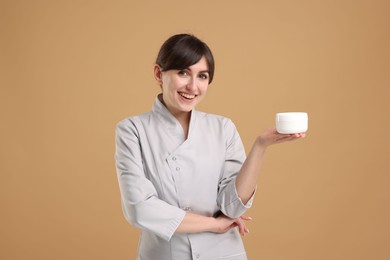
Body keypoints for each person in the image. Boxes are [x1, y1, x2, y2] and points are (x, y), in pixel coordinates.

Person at [115, 33, 305, 260]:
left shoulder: (222, 127)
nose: (193, 86)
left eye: (202, 76)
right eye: (183, 72)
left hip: (224, 253)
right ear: (159, 73)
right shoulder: (132, 130)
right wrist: (214, 224)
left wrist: (260, 146)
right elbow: (140, 209)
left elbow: (232, 207)